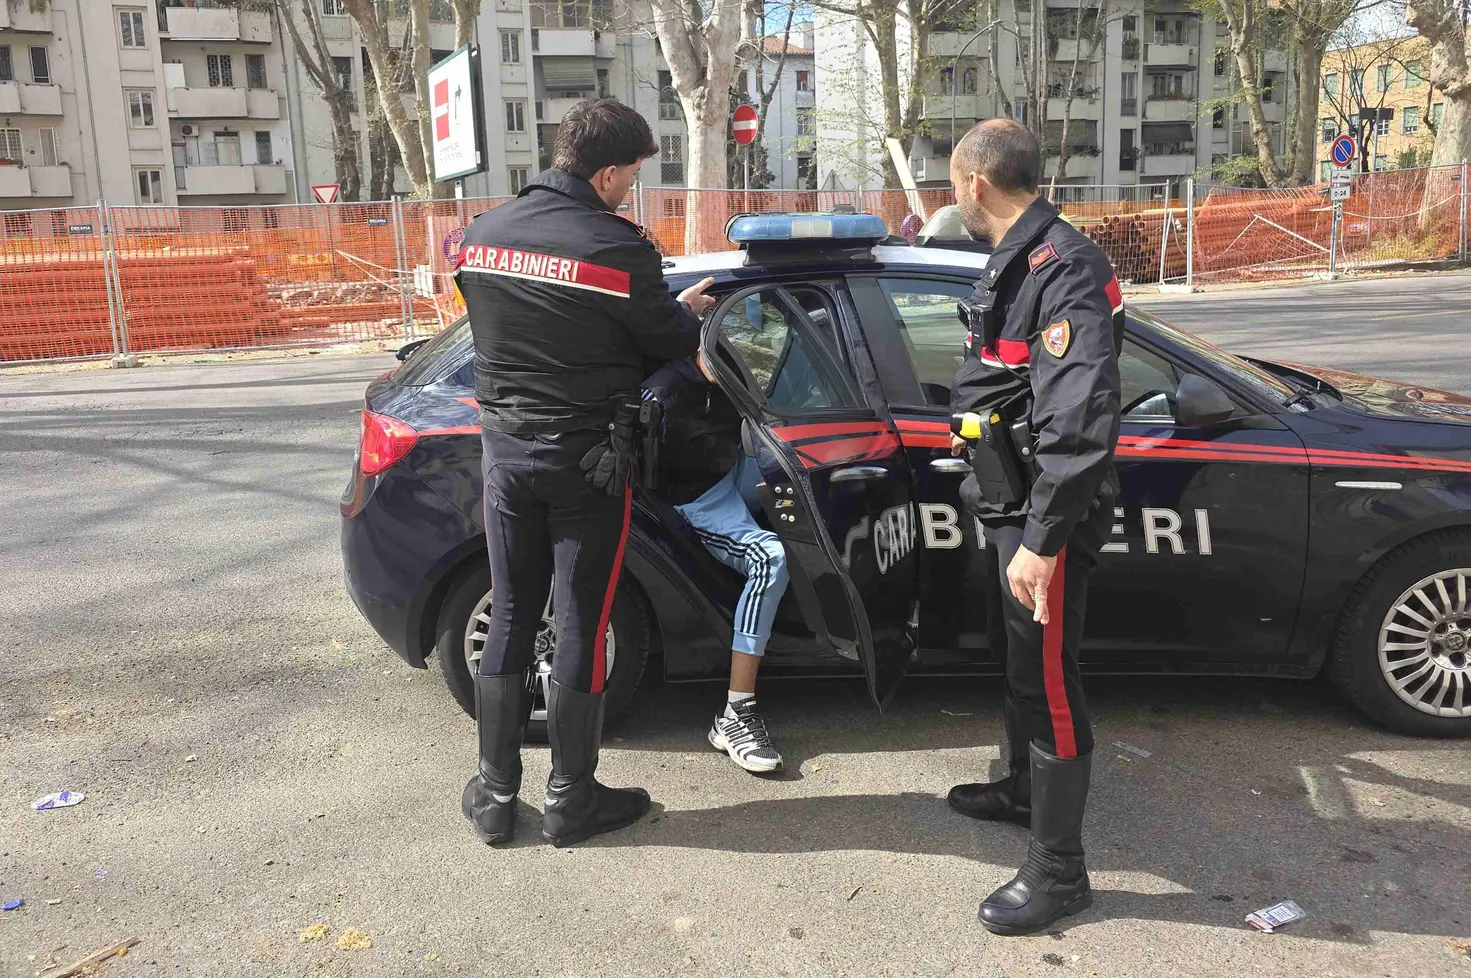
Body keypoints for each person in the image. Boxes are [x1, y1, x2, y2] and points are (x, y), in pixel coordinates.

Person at [454, 99, 717, 849]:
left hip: (505, 454)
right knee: (579, 619)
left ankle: (495, 796)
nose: (630, 190)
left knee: (510, 611)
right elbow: (670, 340)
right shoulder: (617, 248)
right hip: (588, 464)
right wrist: (682, 310)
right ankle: (571, 798)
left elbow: (506, 328)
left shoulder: (482, 234)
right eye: (630, 177)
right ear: (606, 172)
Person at [943, 119, 1124, 934]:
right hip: (1012, 504)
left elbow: (1080, 416)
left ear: (975, 183)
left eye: (952, 183)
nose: (952, 196)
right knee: (1022, 666)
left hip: (1042, 518)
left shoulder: (1065, 266)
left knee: (1049, 681)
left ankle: (1060, 871)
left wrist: (1042, 544)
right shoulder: (1019, 256)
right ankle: (1021, 791)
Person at [641, 355, 790, 774]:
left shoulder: (734, 373)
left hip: (742, 469)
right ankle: (735, 713)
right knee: (771, 557)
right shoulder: (662, 391)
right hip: (701, 502)